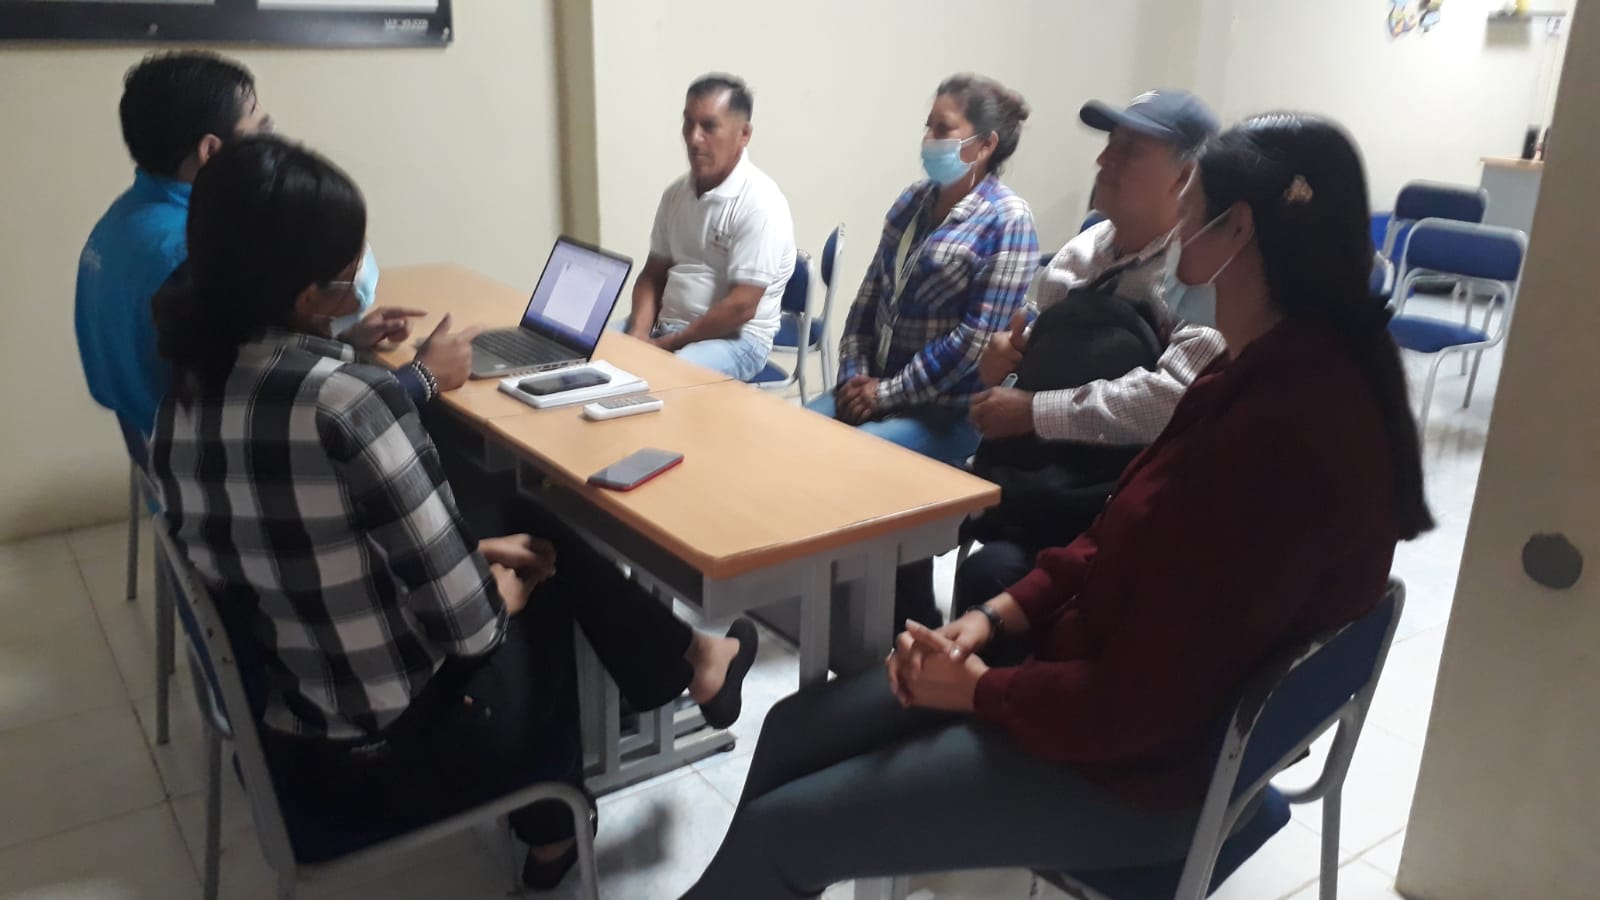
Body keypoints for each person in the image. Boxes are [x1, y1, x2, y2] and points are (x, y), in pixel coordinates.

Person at [680, 113, 1433, 898]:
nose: (1178, 222)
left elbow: (1140, 705)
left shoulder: (1287, 435)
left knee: (788, 830)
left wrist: (980, 690)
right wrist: (995, 616)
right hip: (1091, 689)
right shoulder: (1244, 370)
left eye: (1191, 202)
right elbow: (1115, 532)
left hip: (1141, 775)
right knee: (792, 730)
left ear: (1237, 230)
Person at [146, 136, 759, 890]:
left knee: (519, 526)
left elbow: (312, 550)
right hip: (392, 758)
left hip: (289, 741)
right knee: (546, 571)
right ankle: (556, 825)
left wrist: (477, 557)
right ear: (307, 298)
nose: (359, 282)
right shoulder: (348, 403)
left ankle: (688, 662)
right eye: (349, 271)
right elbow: (473, 627)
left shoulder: (180, 403)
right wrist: (495, 587)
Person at [74, 51, 473, 441]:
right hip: (215, 459)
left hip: (155, 443)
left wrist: (344, 342)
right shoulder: (197, 249)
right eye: (261, 129)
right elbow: (265, 414)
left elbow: (248, 364)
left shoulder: (123, 220)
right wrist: (419, 378)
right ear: (211, 151)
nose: (272, 142)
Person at [958, 89, 1226, 618]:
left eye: (1130, 150)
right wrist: (1002, 365)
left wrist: (1035, 412)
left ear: (1184, 177)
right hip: (1040, 486)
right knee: (961, 554)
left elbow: (1172, 399)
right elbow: (1028, 357)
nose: (1104, 160)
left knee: (997, 581)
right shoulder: (1078, 257)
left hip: (1127, 510)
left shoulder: (1202, 273)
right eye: (1109, 144)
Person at [811, 73, 1038, 629]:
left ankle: (893, 619)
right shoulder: (913, 202)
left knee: (854, 459)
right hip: (878, 389)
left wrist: (884, 395)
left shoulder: (1008, 221)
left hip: (951, 413)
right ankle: (835, 609)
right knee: (796, 434)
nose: (929, 139)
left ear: (985, 145)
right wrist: (854, 376)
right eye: (929, 126)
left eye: (944, 129)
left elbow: (974, 344)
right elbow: (868, 298)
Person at [624, 73, 796, 380]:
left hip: (738, 340)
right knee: (594, 350)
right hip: (669, 328)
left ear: (744, 134)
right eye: (688, 123)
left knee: (664, 375)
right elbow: (652, 275)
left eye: (709, 127)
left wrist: (666, 346)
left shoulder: (761, 203)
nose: (693, 138)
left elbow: (741, 307)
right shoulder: (676, 194)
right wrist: (638, 335)